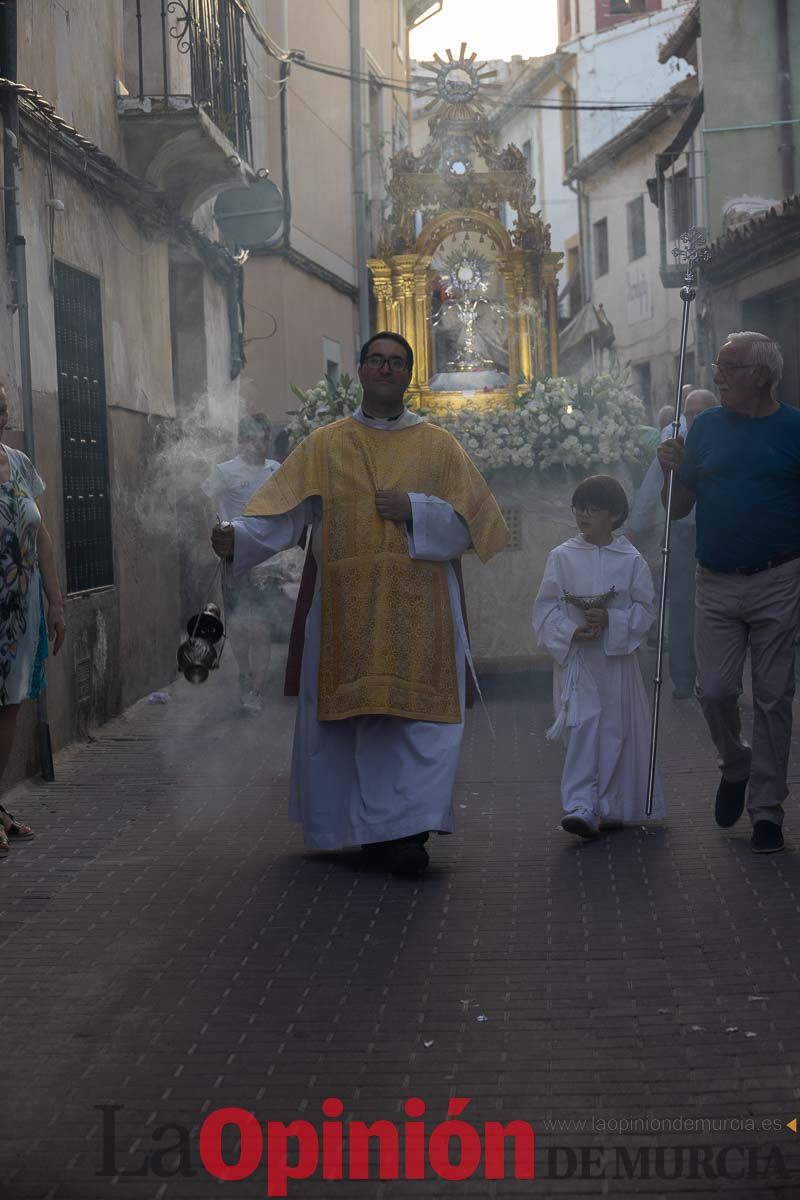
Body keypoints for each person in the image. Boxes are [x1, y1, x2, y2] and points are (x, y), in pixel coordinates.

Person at [211, 332, 508, 875]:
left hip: (422, 612)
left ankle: (409, 831)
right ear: (362, 370)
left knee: (416, 723)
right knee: (360, 723)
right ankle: (376, 831)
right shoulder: (325, 444)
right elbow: (286, 513)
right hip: (345, 609)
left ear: (408, 374)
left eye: (397, 362)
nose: (386, 369)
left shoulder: (439, 447)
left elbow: (477, 526)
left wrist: (415, 508)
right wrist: (240, 538)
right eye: (377, 359)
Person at [658, 332, 800, 854]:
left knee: (773, 697)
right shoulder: (707, 427)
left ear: (760, 375)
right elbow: (676, 510)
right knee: (713, 690)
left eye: (727, 367)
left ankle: (767, 809)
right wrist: (668, 471)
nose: (716, 375)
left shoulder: (795, 429)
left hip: (778, 578)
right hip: (714, 579)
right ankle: (734, 762)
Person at [533, 475, 663, 840]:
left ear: (615, 515)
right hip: (578, 661)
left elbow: (646, 609)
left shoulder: (630, 559)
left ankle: (609, 805)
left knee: (613, 732)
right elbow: (544, 609)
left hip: (615, 663)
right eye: (579, 508)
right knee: (580, 727)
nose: (584, 515)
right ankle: (580, 805)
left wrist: (613, 620)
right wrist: (572, 631)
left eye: (593, 509)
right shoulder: (561, 557)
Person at [0, 381, 66, 853]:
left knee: (8, 707)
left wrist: (55, 601)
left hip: (19, 619)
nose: (0, 412)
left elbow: (41, 534)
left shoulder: (19, 463)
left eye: (1, 405)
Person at [629, 389, 716, 697]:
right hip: (682, 534)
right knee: (681, 605)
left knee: (714, 609)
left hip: (717, 533)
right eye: (691, 413)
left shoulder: (722, 434)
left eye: (701, 413)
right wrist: (636, 524)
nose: (695, 419)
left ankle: (710, 674)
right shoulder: (675, 437)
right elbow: (655, 480)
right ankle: (682, 676)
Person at [202, 414, 280, 714]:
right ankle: (244, 673)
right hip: (235, 561)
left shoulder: (276, 471)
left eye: (264, 438)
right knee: (239, 625)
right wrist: (215, 534)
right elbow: (204, 503)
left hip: (268, 561)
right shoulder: (225, 472)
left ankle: (255, 690)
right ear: (243, 440)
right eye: (254, 438)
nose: (260, 444)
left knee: (261, 626)